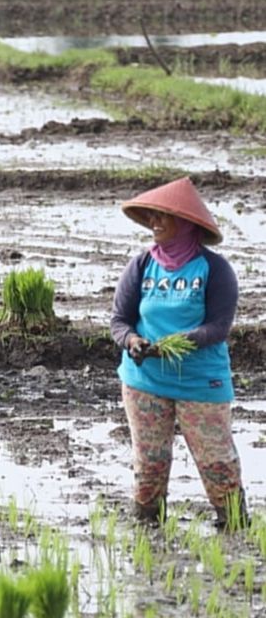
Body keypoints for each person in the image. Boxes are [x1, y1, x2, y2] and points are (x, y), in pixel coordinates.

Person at [110, 176, 248, 530]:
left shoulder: (215, 270)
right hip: (145, 380)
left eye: (164, 217)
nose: (155, 223)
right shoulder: (141, 265)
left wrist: (176, 343)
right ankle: (147, 529)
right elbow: (120, 321)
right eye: (152, 217)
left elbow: (218, 327)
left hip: (201, 381)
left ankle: (235, 528)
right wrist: (133, 342)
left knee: (217, 462)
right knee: (150, 464)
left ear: (187, 224)